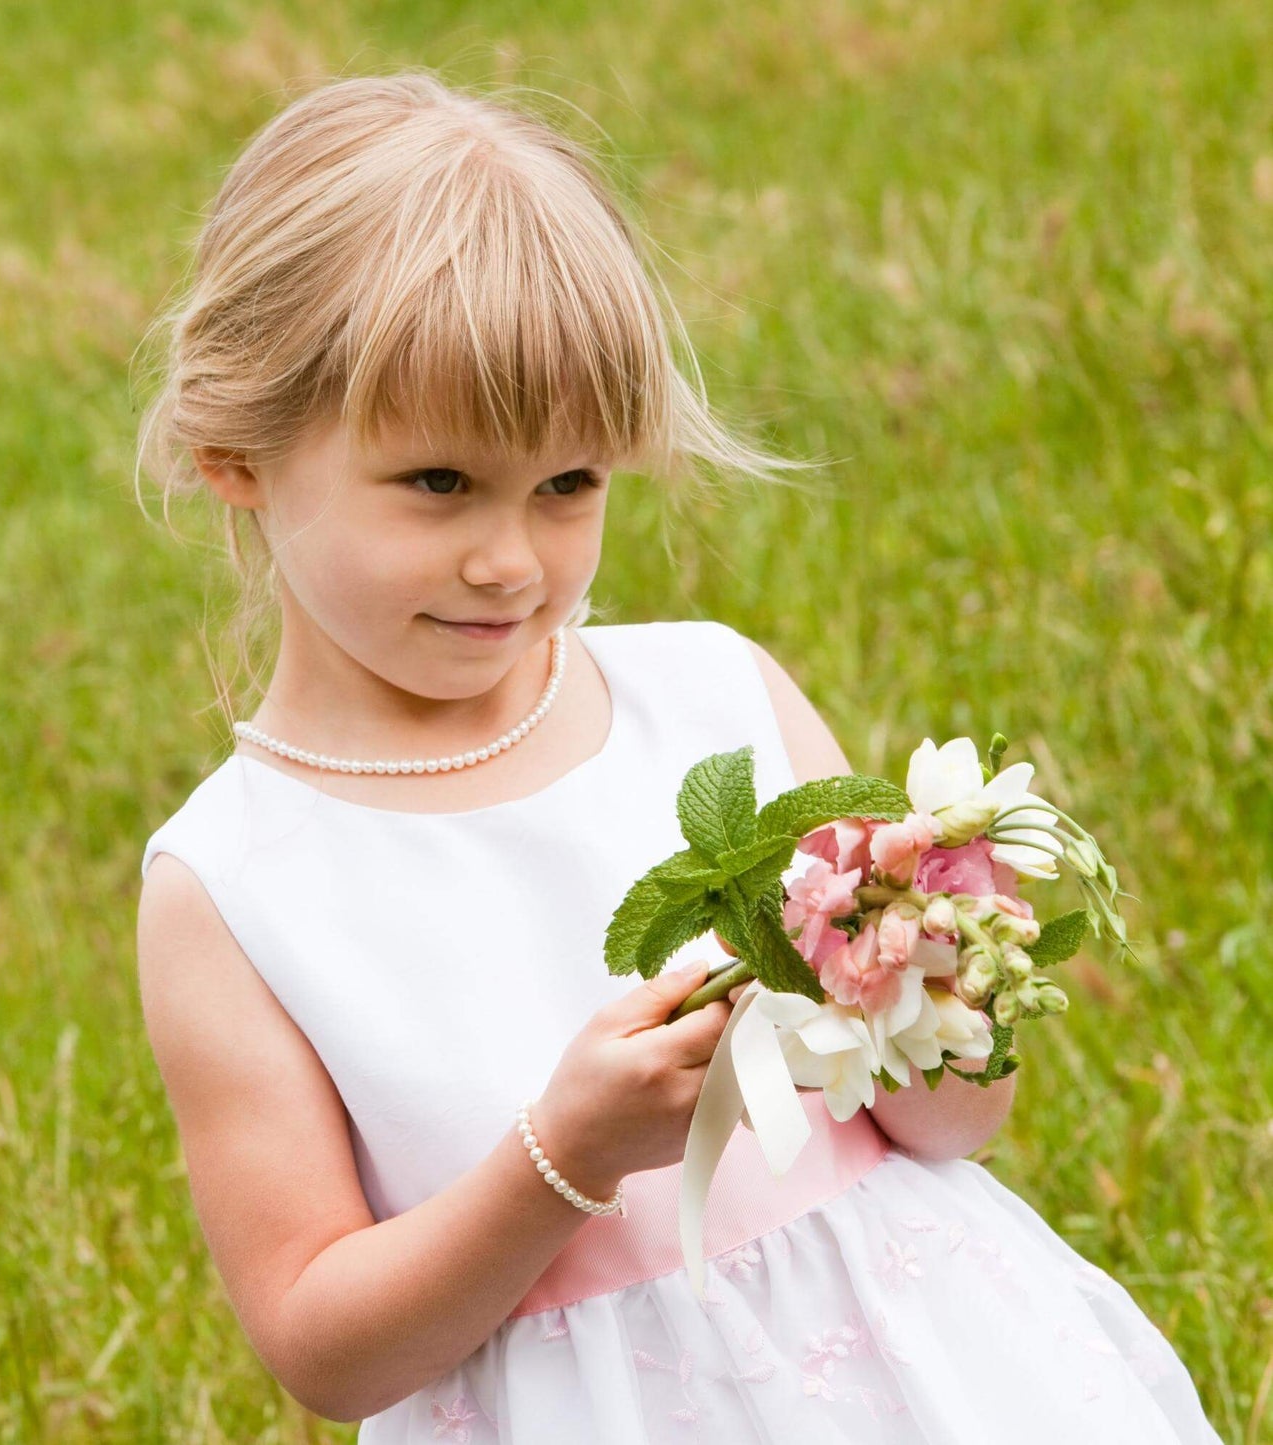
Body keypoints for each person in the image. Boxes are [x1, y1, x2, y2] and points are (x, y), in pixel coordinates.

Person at [132, 70, 1223, 1443]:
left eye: (568, 485)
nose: (508, 557)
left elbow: (950, 1127)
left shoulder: (714, 696)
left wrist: (934, 973)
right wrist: (559, 1156)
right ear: (235, 449)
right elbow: (321, 1343)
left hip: (916, 1375)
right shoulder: (234, 883)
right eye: (437, 483)